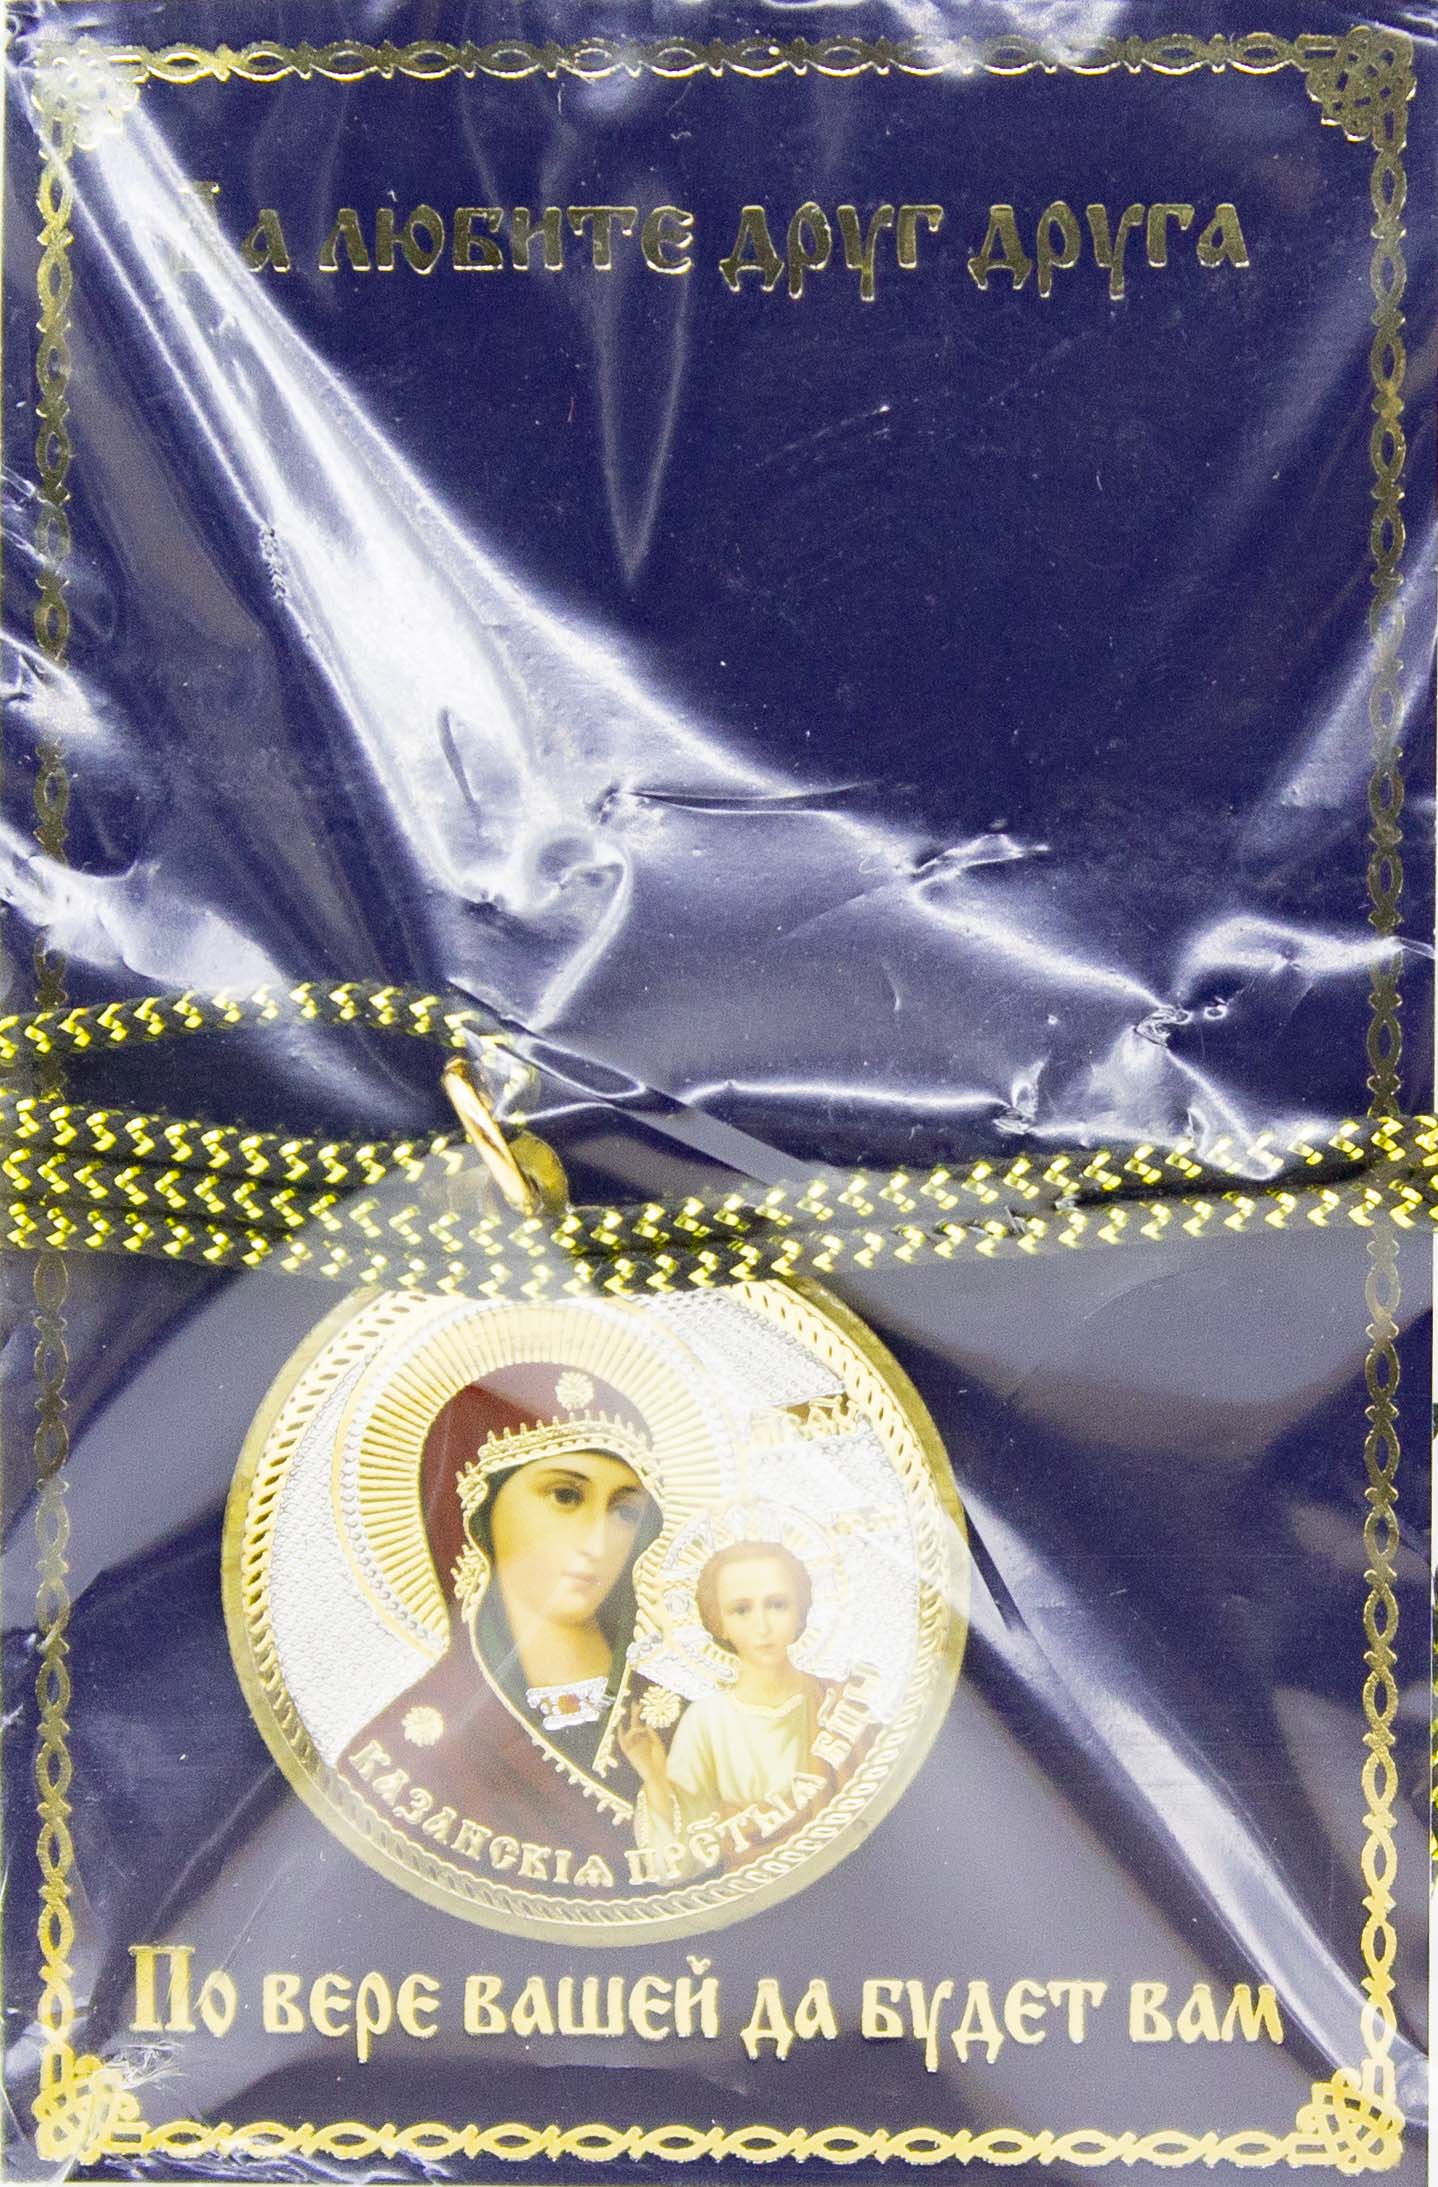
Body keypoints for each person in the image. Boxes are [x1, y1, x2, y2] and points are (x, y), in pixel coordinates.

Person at [337, 1363, 662, 1885]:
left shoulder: (692, 1723)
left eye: (624, 1511)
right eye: (566, 1496)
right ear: (478, 1512)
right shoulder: (406, 1748)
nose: (598, 1543)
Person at [619, 1539, 866, 1877]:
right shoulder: (707, 1721)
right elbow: (675, 1864)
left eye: (777, 1605)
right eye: (741, 1610)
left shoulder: (838, 1701)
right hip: (758, 1888)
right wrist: (655, 1779)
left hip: (852, 1872)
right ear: (717, 1621)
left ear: (800, 1610)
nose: (762, 1627)